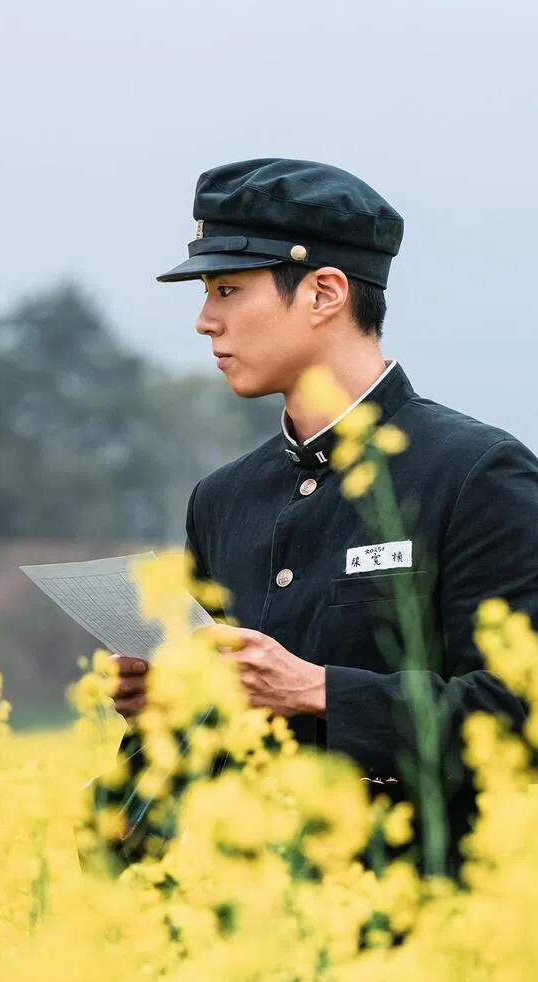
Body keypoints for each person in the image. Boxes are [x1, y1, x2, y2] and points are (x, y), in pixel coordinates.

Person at [110, 157, 538, 871]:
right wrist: (175, 706)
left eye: (227, 290)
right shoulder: (222, 500)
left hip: (421, 933)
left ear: (325, 293)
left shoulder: (475, 475)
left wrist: (317, 691)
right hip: (246, 926)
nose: (203, 321)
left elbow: (520, 717)